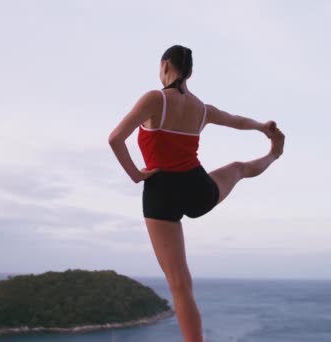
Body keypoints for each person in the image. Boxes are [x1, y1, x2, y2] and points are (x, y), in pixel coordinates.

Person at [108, 45, 285, 342]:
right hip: (197, 189)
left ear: (165, 65)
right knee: (239, 169)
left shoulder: (154, 99)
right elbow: (236, 120)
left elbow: (115, 139)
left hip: (160, 193)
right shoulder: (201, 109)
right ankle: (273, 156)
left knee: (179, 284)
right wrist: (262, 127)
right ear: (190, 72)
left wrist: (136, 175)